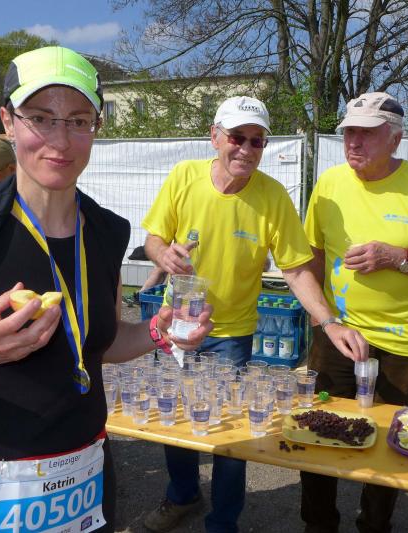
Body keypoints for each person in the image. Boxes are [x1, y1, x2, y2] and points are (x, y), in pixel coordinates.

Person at [0, 46, 212, 533]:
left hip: (85, 482)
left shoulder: (108, 230)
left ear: (96, 126)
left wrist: (159, 331)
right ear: (8, 122)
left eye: (78, 121)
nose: (61, 140)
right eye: (40, 118)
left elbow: (100, 342)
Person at [142, 96, 367, 533]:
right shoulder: (184, 176)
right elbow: (154, 238)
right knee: (175, 417)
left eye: (257, 141)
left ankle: (223, 522)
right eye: (237, 137)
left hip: (231, 334)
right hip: (177, 324)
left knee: (230, 433)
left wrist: (329, 321)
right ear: (215, 137)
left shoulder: (272, 196)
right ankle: (182, 494)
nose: (246, 149)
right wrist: (163, 255)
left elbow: (296, 269)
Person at [299, 92, 408, 533]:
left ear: (395, 138)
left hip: (402, 342)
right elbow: (312, 255)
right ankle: (319, 525)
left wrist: (397, 257)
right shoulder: (329, 184)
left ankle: (374, 525)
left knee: (391, 443)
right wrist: (321, 319)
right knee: (318, 432)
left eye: (367, 133)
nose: (354, 142)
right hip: (337, 336)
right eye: (348, 132)